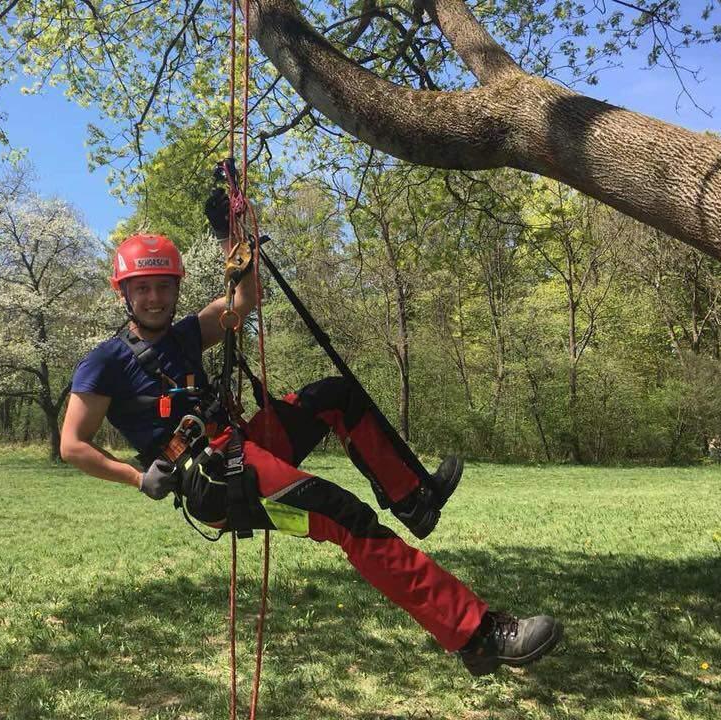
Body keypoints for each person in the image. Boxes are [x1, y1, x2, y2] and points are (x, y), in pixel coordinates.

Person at [60, 197, 563, 677]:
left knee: (335, 396)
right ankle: (477, 635)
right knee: (349, 520)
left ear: (175, 288)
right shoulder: (107, 361)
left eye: (163, 287)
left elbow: (245, 297)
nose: (154, 298)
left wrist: (229, 237)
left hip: (241, 445)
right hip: (212, 479)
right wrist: (136, 478)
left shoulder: (186, 334)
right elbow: (73, 443)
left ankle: (415, 501)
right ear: (123, 293)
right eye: (142, 288)